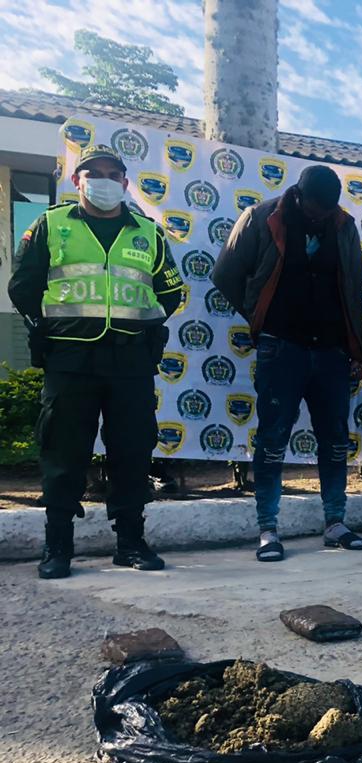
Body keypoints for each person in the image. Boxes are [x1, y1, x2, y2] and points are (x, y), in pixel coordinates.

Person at [8, 144, 184, 579]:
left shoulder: (148, 232)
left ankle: (130, 542)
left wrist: (141, 327)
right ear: (77, 181)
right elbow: (23, 287)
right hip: (70, 359)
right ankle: (58, 547)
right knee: (63, 453)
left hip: (130, 361)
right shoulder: (50, 225)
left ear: (124, 183)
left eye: (112, 174)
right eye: (94, 174)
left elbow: (170, 292)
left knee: (132, 453)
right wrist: (53, 328)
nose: (104, 181)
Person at [211, 164, 362, 561]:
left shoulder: (344, 226)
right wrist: (259, 317)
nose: (320, 217)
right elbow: (225, 274)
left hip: (331, 350)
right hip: (281, 347)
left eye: (327, 211)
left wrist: (355, 351)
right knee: (272, 440)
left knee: (335, 440)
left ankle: (335, 523)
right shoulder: (261, 217)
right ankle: (268, 529)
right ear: (298, 196)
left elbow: (352, 289)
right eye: (315, 210)